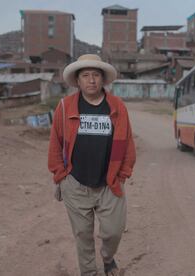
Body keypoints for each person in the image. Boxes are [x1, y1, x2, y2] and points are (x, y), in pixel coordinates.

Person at [48, 54, 136, 276]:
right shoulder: (65, 107)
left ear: (103, 79)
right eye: (85, 76)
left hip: (109, 183)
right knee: (83, 235)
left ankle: (107, 259)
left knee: (113, 232)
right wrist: (61, 174)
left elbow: (127, 144)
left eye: (96, 75)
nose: (91, 80)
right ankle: (89, 272)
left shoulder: (117, 106)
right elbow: (55, 143)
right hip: (75, 184)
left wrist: (122, 175)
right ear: (78, 81)